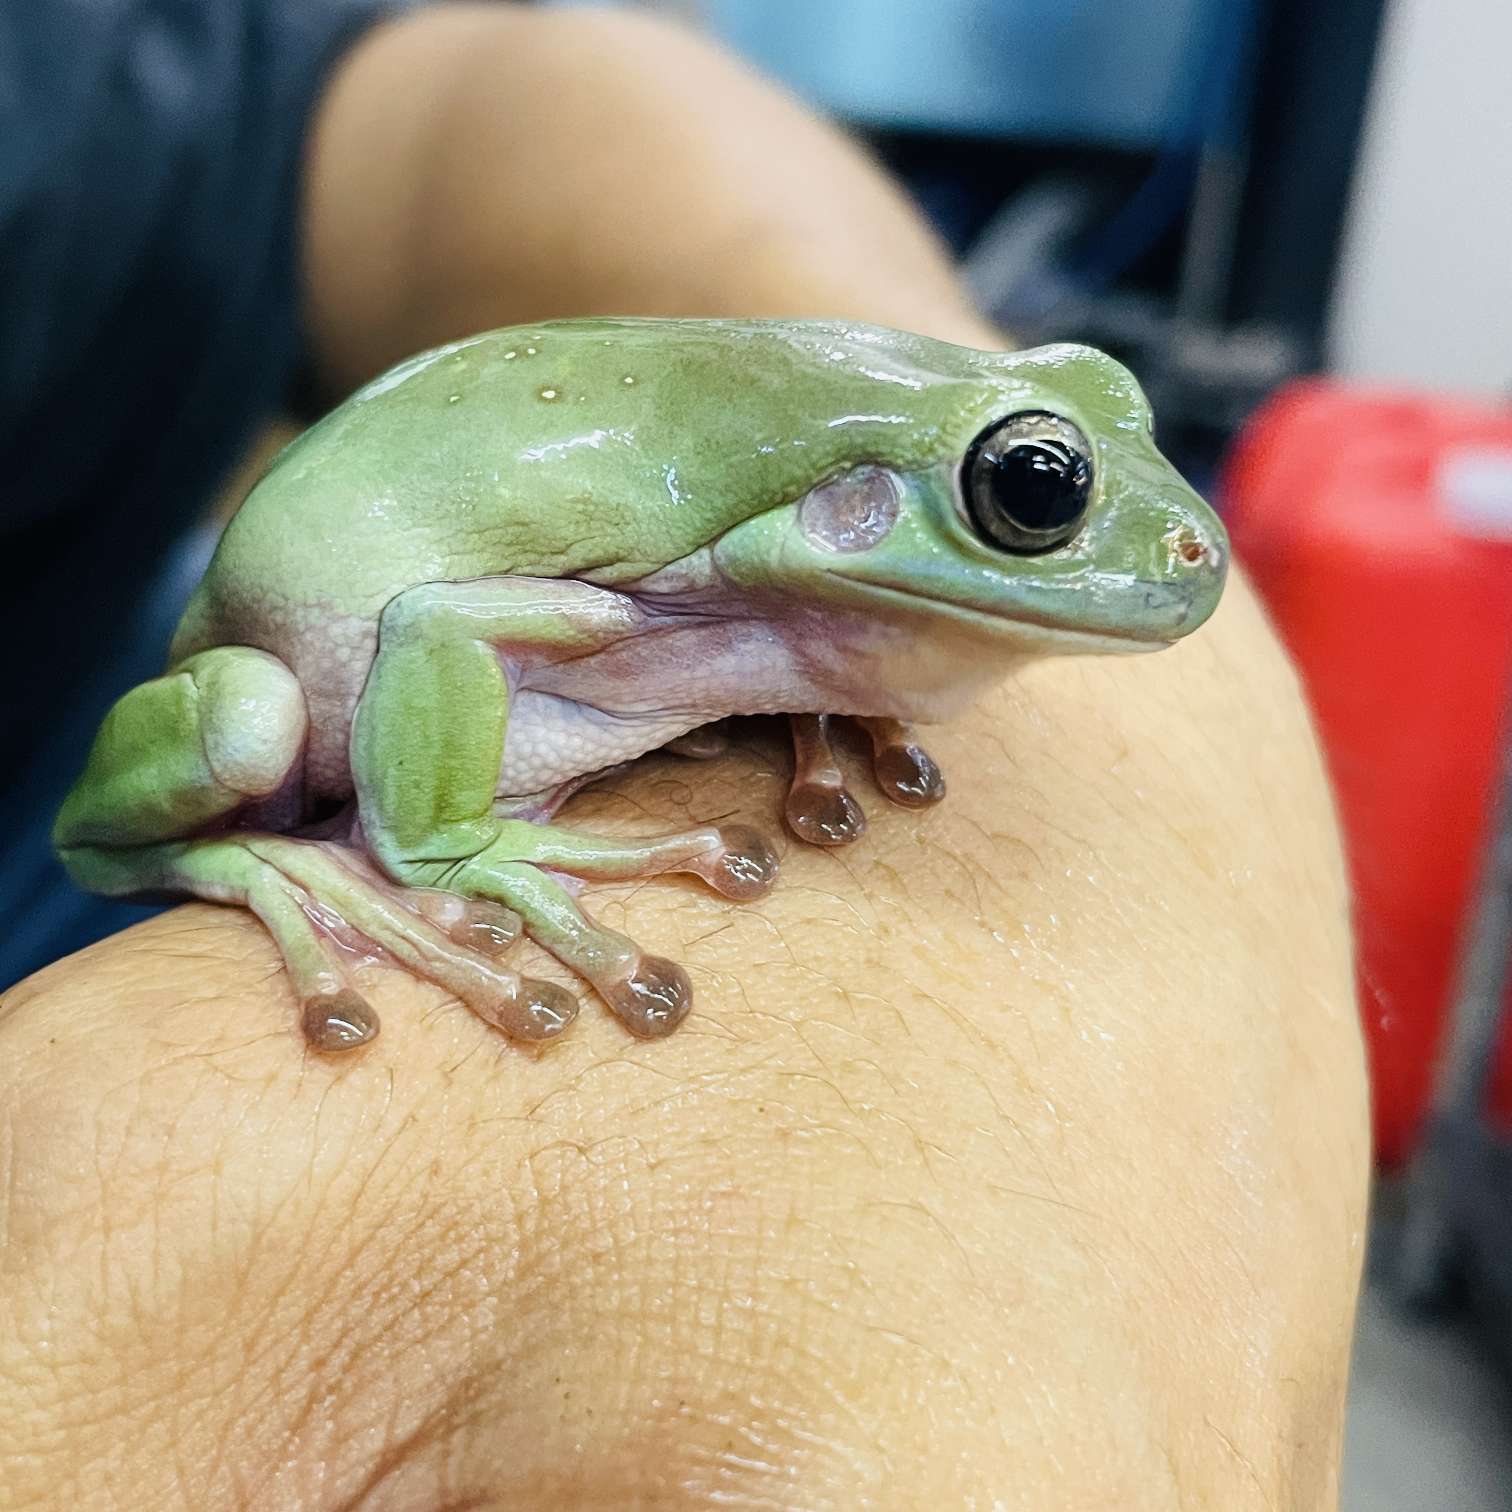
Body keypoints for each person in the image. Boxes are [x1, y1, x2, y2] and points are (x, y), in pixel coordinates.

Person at [0, 4, 1368, 1505]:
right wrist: (450, 843)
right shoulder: (644, 574)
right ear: (849, 509)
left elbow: (393, 97)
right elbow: (442, 624)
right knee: (246, 725)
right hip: (280, 704)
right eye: (1033, 493)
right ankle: (283, 841)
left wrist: (1204, 764)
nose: (1187, 548)